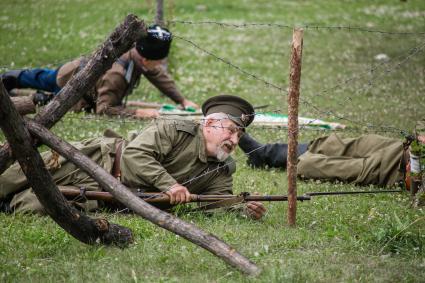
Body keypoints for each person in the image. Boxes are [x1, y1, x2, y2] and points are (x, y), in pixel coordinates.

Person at [0, 95, 266, 220]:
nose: (234, 140)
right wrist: (170, 185)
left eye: (239, 136)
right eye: (231, 131)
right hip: (95, 164)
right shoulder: (174, 129)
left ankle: (8, 205)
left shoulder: (222, 169)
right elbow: (134, 156)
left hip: (106, 197)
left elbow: (215, 205)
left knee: (33, 207)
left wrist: (242, 209)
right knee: (11, 176)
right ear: (208, 123)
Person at [0, 25, 198, 118]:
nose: (161, 65)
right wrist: (137, 112)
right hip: (71, 78)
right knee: (43, 79)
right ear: (146, 59)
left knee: (51, 98)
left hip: (87, 91)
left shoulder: (139, 58)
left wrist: (182, 100)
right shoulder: (117, 75)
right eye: (160, 61)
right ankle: (10, 78)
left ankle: (35, 97)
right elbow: (104, 109)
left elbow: (158, 76)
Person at [239, 132, 415, 188]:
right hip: (404, 149)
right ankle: (263, 154)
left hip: (403, 170)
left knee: (310, 165)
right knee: (338, 144)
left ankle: (277, 158)